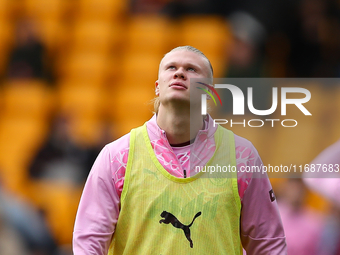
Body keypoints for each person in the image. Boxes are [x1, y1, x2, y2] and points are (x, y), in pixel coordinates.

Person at [73, 46, 287, 254]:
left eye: (191, 69)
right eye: (171, 68)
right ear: (158, 86)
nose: (180, 73)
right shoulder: (117, 156)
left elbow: (268, 245)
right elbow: (89, 241)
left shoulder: (242, 156)